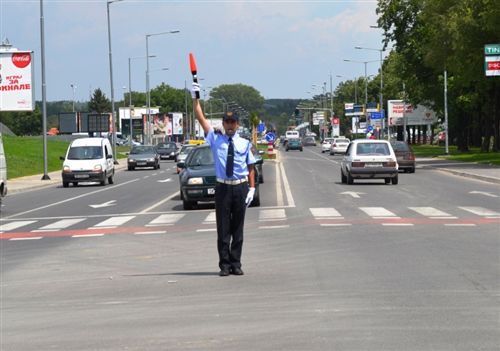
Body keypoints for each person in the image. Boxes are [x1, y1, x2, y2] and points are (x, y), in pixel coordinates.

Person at [191, 82, 256, 277]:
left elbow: (251, 166)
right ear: (223, 123)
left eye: (233, 123)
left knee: (238, 229)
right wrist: (196, 98)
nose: (229, 125)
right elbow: (200, 117)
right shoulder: (214, 138)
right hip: (223, 187)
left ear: (237, 124)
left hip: (240, 186)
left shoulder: (245, 143)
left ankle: (236, 263)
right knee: (223, 229)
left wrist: (252, 188)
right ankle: (224, 265)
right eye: (226, 123)